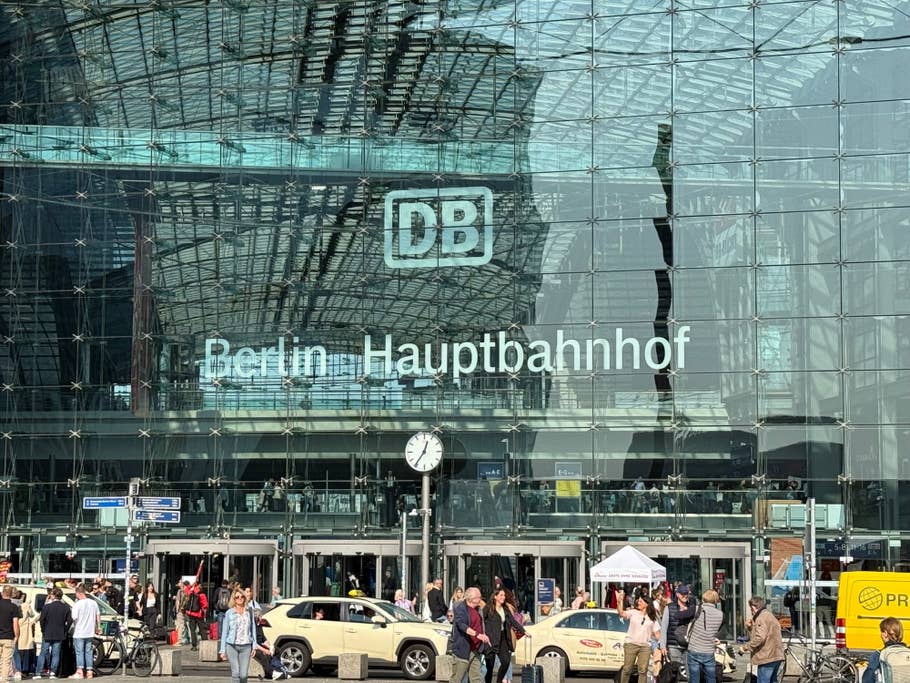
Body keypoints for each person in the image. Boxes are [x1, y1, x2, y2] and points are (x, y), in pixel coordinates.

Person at [482, 588, 528, 683]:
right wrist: (482, 634)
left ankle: (499, 681)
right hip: (491, 639)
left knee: (506, 661)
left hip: (503, 638)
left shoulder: (505, 609)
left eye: (504, 595)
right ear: (495, 596)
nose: (503, 597)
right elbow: (481, 620)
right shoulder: (488, 608)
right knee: (489, 667)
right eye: (501, 595)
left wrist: (524, 631)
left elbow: (512, 621)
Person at [616, 589, 661, 683]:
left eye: (641, 601)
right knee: (627, 669)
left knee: (643, 670)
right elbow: (621, 613)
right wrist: (619, 601)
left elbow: (657, 634)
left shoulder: (652, 617)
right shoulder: (633, 612)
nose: (638, 602)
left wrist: (663, 645)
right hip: (631, 644)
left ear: (647, 604)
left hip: (645, 646)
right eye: (638, 601)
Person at [738, 596, 785, 683]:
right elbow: (765, 635)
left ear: (753, 607)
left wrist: (745, 647)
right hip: (776, 655)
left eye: (751, 608)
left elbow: (759, 638)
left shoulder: (761, 618)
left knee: (763, 680)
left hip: (766, 657)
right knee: (773, 680)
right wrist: (750, 628)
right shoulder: (769, 615)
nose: (751, 611)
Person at [449, 587, 490, 683]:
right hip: (463, 650)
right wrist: (477, 635)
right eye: (479, 597)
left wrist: (484, 634)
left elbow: (480, 624)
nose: (481, 599)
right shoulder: (460, 608)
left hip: (476, 650)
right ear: (471, 599)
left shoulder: (478, 609)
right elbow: (461, 625)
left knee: (477, 678)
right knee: (457, 679)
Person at [687, 589, 723, 683]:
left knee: (694, 678)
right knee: (711, 678)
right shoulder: (720, 614)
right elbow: (721, 630)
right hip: (708, 650)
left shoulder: (696, 609)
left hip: (694, 648)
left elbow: (678, 616)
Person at [219, 589, 255, 683]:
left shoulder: (249, 611)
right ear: (234, 599)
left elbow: (253, 629)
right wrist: (222, 650)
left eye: (242, 596)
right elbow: (224, 632)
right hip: (232, 646)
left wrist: (254, 646)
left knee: (243, 675)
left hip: (246, 646)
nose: (240, 599)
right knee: (236, 674)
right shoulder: (229, 613)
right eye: (237, 597)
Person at [660, 584, 697, 675]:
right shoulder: (669, 608)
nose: (685, 595)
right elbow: (664, 627)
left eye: (686, 593)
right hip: (673, 644)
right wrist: (663, 645)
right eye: (682, 593)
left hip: (689, 644)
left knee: (691, 673)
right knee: (674, 673)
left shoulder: (692, 608)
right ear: (677, 594)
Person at [35, 588, 71, 679]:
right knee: (56, 653)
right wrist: (65, 629)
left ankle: (38, 672)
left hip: (47, 632)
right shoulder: (66, 607)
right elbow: (70, 620)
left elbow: (42, 620)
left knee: (43, 652)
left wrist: (43, 629)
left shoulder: (47, 607)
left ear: (54, 595)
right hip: (59, 633)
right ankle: (53, 672)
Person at [861, 617, 910, 683]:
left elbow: (867, 679)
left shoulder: (878, 654)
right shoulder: (908, 652)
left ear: (885, 634)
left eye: (881, 631)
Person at [69, 584, 100, 680]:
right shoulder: (93, 603)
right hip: (90, 632)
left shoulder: (77, 604)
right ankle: (90, 672)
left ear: (78, 593)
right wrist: (98, 627)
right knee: (88, 651)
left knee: (79, 652)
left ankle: (80, 672)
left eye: (76, 594)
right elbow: (98, 615)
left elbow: (74, 618)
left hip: (79, 632)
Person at [0, 585, 20, 683]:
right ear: (11, 594)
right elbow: (15, 623)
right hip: (8, 637)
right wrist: (17, 636)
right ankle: (4, 680)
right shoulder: (14, 607)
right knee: (6, 661)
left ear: (2, 593)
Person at [183, 581, 208, 651]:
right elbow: (205, 605)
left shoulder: (191, 592)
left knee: (192, 630)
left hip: (191, 614)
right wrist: (204, 613)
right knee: (202, 630)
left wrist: (191, 585)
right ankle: (205, 644)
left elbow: (186, 590)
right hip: (199, 615)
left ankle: (194, 646)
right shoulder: (202, 594)